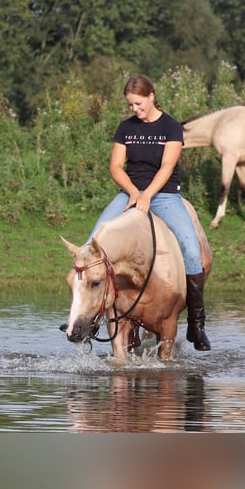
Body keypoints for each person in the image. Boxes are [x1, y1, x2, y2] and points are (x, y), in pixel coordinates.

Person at [86, 74, 210, 351]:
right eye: (130, 105)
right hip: (129, 193)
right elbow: (116, 167)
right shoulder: (125, 128)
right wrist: (132, 192)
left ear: (152, 96)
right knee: (90, 246)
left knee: (192, 251)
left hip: (164, 195)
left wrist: (148, 195)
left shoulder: (171, 127)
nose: (135, 109)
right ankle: (89, 319)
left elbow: (167, 167)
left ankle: (196, 324)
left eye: (138, 103)